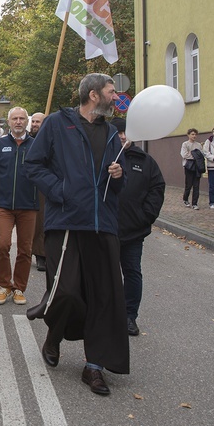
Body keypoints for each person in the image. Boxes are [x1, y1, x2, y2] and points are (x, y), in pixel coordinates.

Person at [25, 73, 128, 396]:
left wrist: (119, 174)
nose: (116, 97)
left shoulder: (111, 133)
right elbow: (34, 164)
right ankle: (54, 336)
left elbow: (115, 184)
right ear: (94, 95)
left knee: (103, 297)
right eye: (112, 92)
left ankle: (94, 367)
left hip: (102, 225)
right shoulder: (58, 123)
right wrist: (62, 191)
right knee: (66, 292)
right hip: (67, 222)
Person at [111, 117, 165, 337]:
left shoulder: (145, 161)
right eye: (118, 133)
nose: (123, 136)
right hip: (106, 229)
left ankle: (129, 316)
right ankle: (106, 314)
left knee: (132, 272)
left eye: (126, 132)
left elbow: (157, 187)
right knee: (106, 274)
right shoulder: (103, 157)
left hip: (134, 231)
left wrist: (146, 216)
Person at [0, 107, 39, 305]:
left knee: (25, 249)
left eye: (22, 118)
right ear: (9, 122)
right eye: (14, 118)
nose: (18, 122)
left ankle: (19, 288)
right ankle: (5, 285)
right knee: (2, 245)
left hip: (28, 205)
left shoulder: (36, 145)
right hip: (4, 205)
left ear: (27, 121)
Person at [29, 112, 47, 271]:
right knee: (36, 222)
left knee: (44, 220)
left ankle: (45, 253)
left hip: (46, 184)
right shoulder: (28, 140)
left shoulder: (50, 139)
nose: (35, 124)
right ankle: (39, 254)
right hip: (30, 185)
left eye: (38, 122)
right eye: (33, 121)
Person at [180, 128, 203, 210]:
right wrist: (194, 155)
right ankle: (185, 199)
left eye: (195, 134)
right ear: (188, 135)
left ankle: (195, 203)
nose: (194, 136)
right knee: (188, 185)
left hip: (197, 166)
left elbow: (201, 155)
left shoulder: (198, 145)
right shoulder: (185, 144)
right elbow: (184, 154)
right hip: (189, 166)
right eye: (192, 134)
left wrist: (195, 155)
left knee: (196, 186)